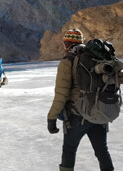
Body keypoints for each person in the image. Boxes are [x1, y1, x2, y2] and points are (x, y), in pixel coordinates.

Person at [47, 29, 114, 171]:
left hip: (77, 116)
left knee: (69, 151)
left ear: (68, 43)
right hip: (99, 113)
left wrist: (51, 118)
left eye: (65, 42)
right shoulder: (97, 58)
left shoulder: (68, 61)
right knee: (102, 151)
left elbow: (61, 94)